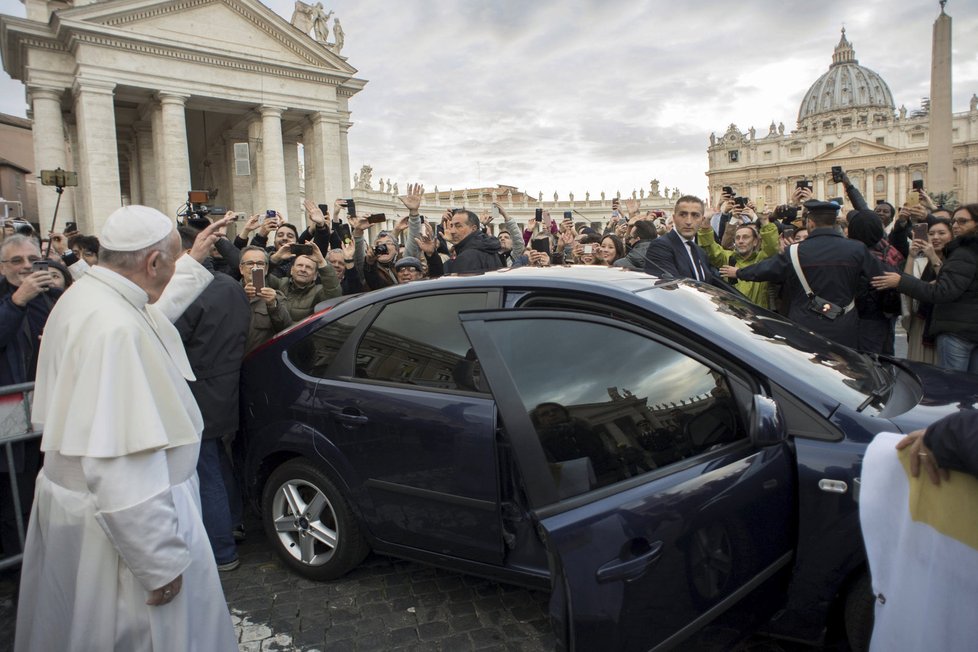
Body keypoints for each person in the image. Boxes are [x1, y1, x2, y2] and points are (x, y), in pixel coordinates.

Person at [15, 206, 237, 651]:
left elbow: (152, 317)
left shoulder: (93, 295)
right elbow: (120, 464)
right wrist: (158, 562)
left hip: (90, 514)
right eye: (171, 262)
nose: (174, 272)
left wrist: (191, 259)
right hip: (125, 532)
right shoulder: (113, 328)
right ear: (153, 263)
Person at [173, 225, 251, 572]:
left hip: (198, 391)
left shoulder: (188, 294)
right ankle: (234, 521)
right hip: (224, 388)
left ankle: (222, 550)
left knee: (206, 471)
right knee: (218, 462)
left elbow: (170, 339)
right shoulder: (232, 286)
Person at [731, 200, 883, 348]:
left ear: (810, 223)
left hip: (804, 325)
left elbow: (764, 270)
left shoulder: (795, 251)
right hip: (843, 325)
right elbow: (881, 277)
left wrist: (738, 272)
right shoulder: (856, 249)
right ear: (834, 222)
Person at [0, 235, 61, 557]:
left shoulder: (49, 296)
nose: (26, 267)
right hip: (9, 418)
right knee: (16, 499)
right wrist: (17, 301)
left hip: (47, 412)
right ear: (3, 266)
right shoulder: (11, 298)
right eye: (17, 261)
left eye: (32, 259)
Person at [872, 204, 978, 372]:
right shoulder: (961, 251)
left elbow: (943, 290)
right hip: (941, 325)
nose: (957, 225)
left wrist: (901, 281)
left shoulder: (962, 253)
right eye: (955, 221)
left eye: (962, 221)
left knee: (952, 385)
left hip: (956, 329)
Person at [900, 217, 952, 364]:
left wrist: (932, 256)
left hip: (944, 323)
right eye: (931, 233)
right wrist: (911, 256)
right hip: (920, 322)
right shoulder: (920, 261)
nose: (935, 237)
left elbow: (948, 283)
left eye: (941, 233)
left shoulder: (956, 260)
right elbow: (907, 286)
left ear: (952, 235)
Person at [644, 196, 724, 287]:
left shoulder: (700, 252)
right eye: (683, 215)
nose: (688, 221)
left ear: (702, 220)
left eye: (695, 215)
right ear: (674, 218)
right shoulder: (659, 247)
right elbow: (669, 290)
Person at [444, 209, 503, 274]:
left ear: (473, 229)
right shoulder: (489, 249)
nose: (452, 231)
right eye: (451, 226)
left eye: (458, 226)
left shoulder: (466, 257)